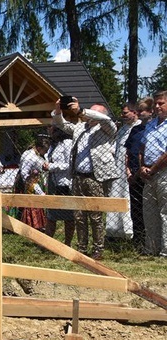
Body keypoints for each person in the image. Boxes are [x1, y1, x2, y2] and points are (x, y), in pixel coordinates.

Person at [53, 97, 117, 260]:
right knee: (79, 215)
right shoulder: (80, 127)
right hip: (78, 177)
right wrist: (59, 111)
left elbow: (106, 120)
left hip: (96, 177)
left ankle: (98, 249)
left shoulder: (107, 128)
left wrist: (81, 111)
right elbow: (62, 125)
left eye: (94, 112)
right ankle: (82, 247)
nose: (89, 114)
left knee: (95, 215)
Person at [106, 104, 140, 240]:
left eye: (125, 113)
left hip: (129, 169)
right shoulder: (123, 129)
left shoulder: (137, 128)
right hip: (118, 169)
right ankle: (114, 230)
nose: (123, 116)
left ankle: (128, 230)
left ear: (134, 112)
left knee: (127, 197)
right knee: (116, 196)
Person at [139, 90, 167, 257]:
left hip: (163, 172)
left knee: (165, 212)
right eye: (155, 104)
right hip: (148, 173)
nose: (157, 107)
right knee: (149, 212)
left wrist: (154, 168)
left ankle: (165, 251)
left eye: (161, 103)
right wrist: (142, 166)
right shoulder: (150, 124)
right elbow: (142, 146)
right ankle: (151, 248)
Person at [125, 98, 153, 249]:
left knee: (148, 209)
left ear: (150, 111)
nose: (139, 113)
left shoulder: (153, 129)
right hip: (133, 174)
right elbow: (128, 152)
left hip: (147, 174)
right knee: (135, 209)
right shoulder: (135, 130)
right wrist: (128, 171)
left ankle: (150, 240)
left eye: (142, 110)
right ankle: (138, 239)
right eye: (138, 110)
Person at [45, 127, 75, 246]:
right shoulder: (53, 145)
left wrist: (51, 166)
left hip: (65, 183)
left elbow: (70, 164)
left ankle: (67, 243)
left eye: (52, 128)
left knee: (68, 216)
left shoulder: (67, 143)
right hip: (53, 181)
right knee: (51, 215)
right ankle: (48, 244)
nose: (49, 131)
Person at [17, 135, 50, 230]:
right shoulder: (29, 156)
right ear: (39, 148)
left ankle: (38, 223)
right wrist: (32, 185)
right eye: (45, 150)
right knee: (31, 203)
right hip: (29, 182)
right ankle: (30, 224)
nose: (46, 153)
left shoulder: (38, 154)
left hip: (35, 179)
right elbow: (24, 173)